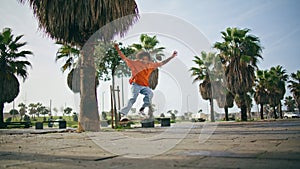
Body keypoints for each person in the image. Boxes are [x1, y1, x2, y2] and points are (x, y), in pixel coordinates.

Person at [114, 43, 177, 120]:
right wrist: (117, 48)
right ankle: (123, 113)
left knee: (150, 94)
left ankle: (142, 109)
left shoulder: (150, 65)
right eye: (142, 59)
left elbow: (162, 63)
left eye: (145, 59)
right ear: (140, 58)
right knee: (133, 98)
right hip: (136, 84)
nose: (143, 61)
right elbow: (124, 58)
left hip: (144, 86)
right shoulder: (135, 63)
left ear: (148, 60)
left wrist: (171, 57)